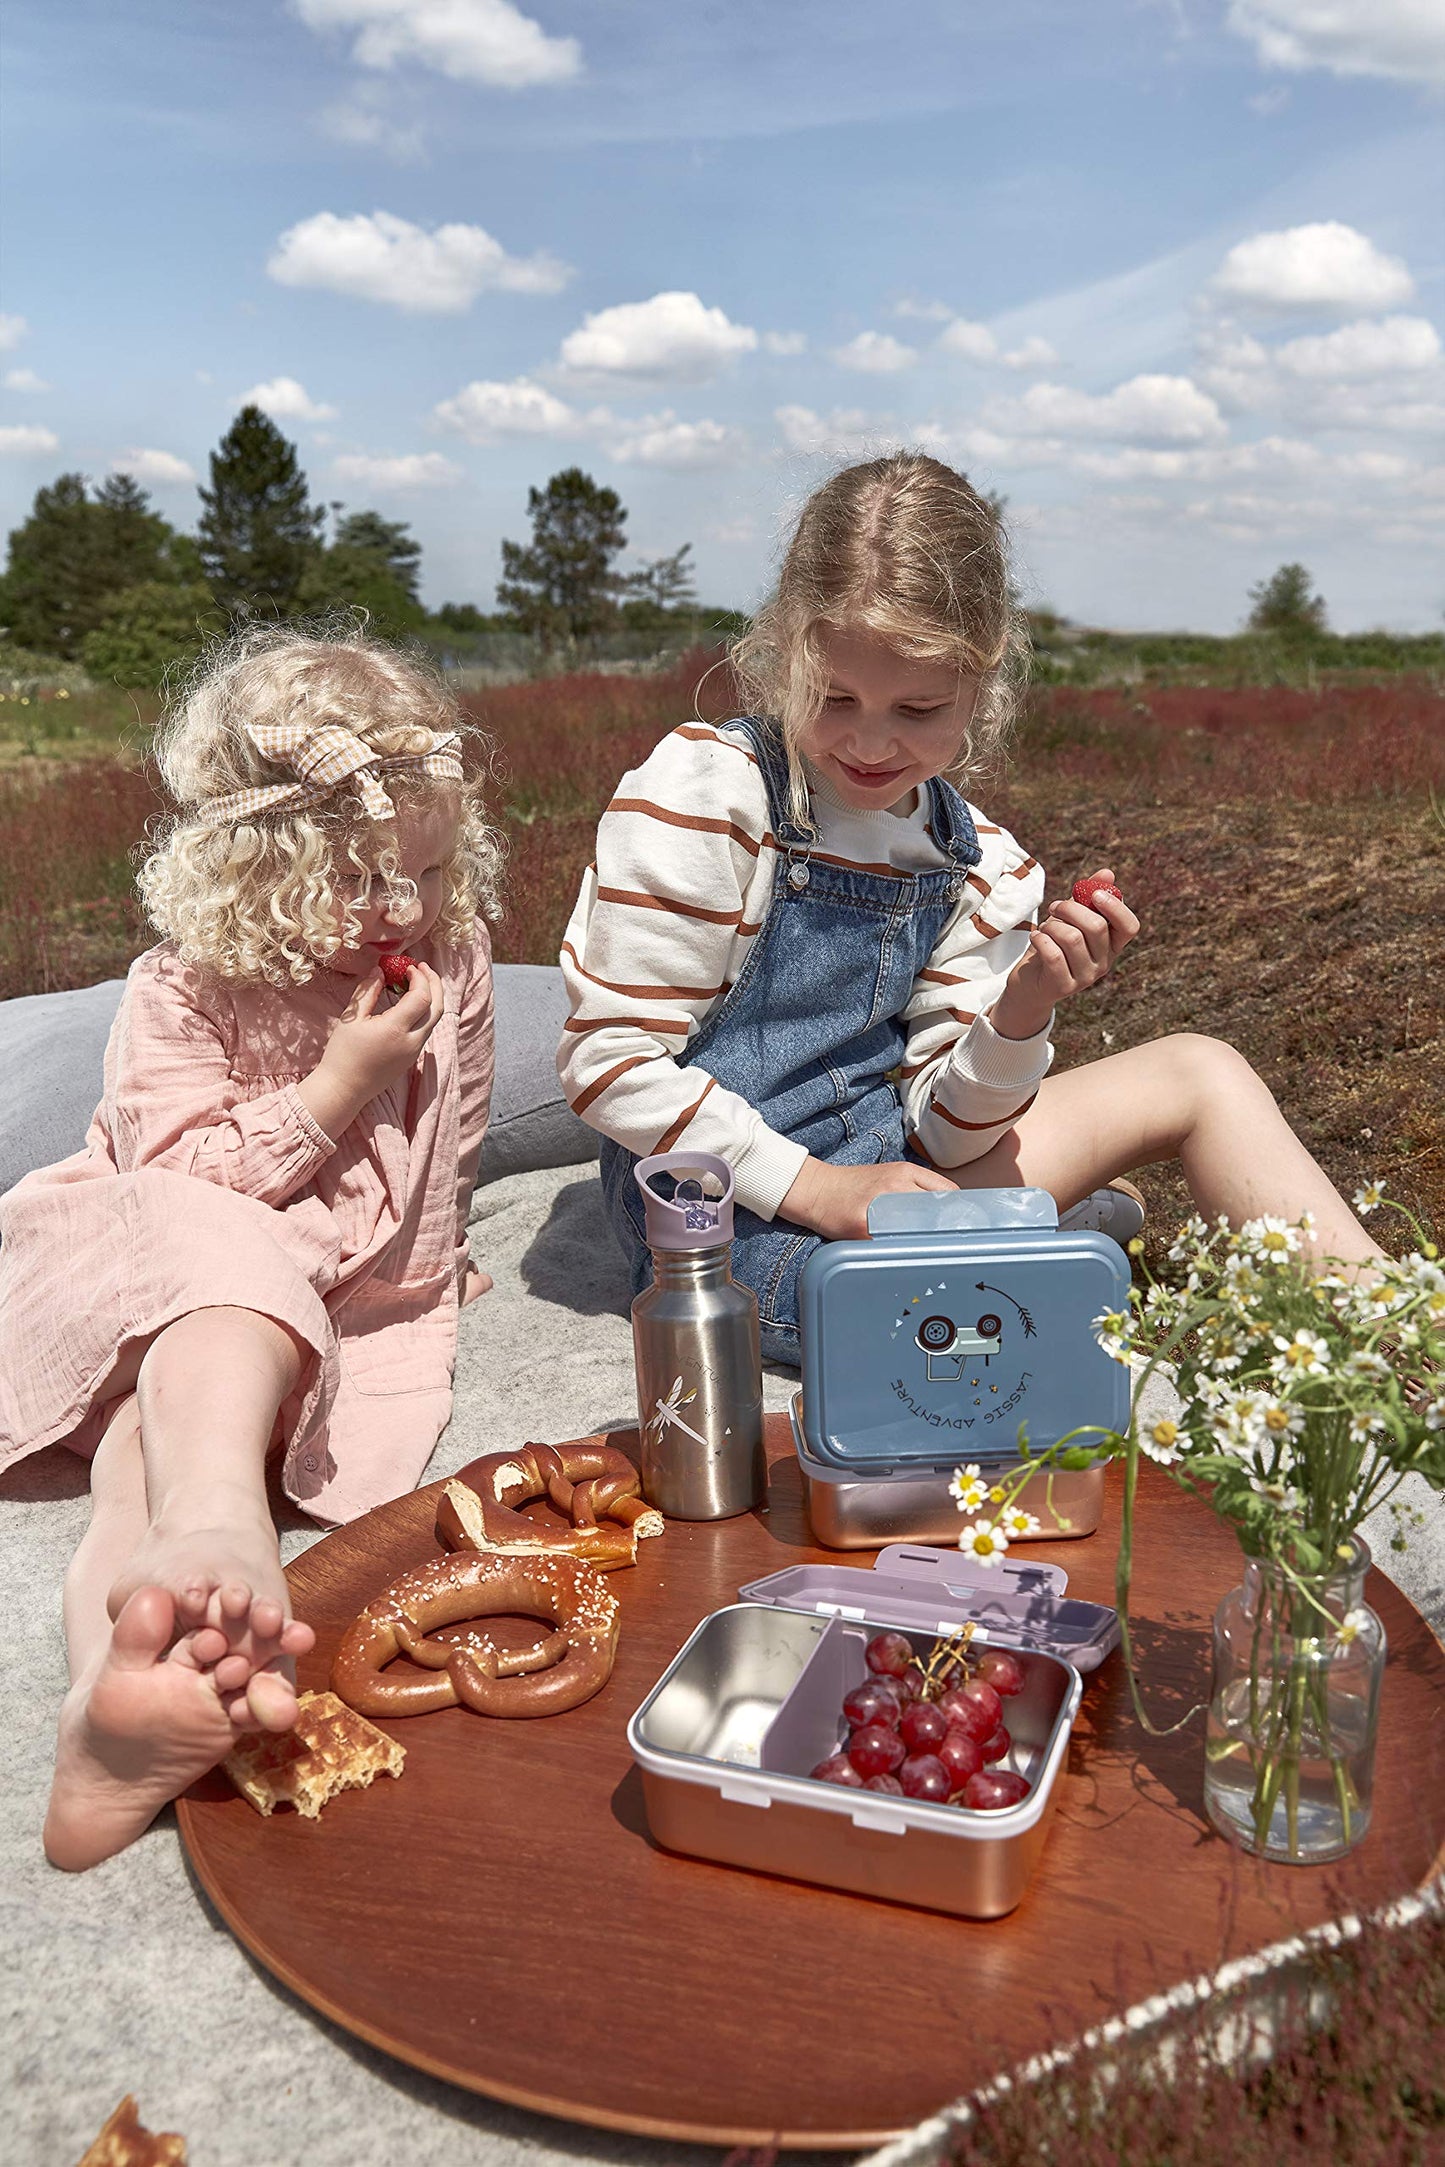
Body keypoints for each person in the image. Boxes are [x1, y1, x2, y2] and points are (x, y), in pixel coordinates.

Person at [558, 452, 1384, 1361]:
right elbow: (609, 1060)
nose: (870, 741)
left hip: (897, 1179)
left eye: (917, 709)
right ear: (785, 651)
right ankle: (1048, 1229)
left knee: (1201, 1069)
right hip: (726, 1220)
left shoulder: (977, 863)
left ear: (981, 686)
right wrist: (821, 1191)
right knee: (998, 1314)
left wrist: (1024, 1004)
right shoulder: (712, 792)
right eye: (833, 697)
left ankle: (1395, 1348)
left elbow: (945, 1136)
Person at [0, 625, 501, 1870]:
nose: (405, 909)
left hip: (315, 1320)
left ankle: (109, 1702)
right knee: (225, 1296)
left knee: (135, 1467)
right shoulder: (184, 988)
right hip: (155, 1265)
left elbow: (461, 1131)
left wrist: (434, 1266)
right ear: (252, 870)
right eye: (363, 880)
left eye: (429, 873)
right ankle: (230, 1531)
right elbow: (168, 1190)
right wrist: (336, 1084)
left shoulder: (454, 960)